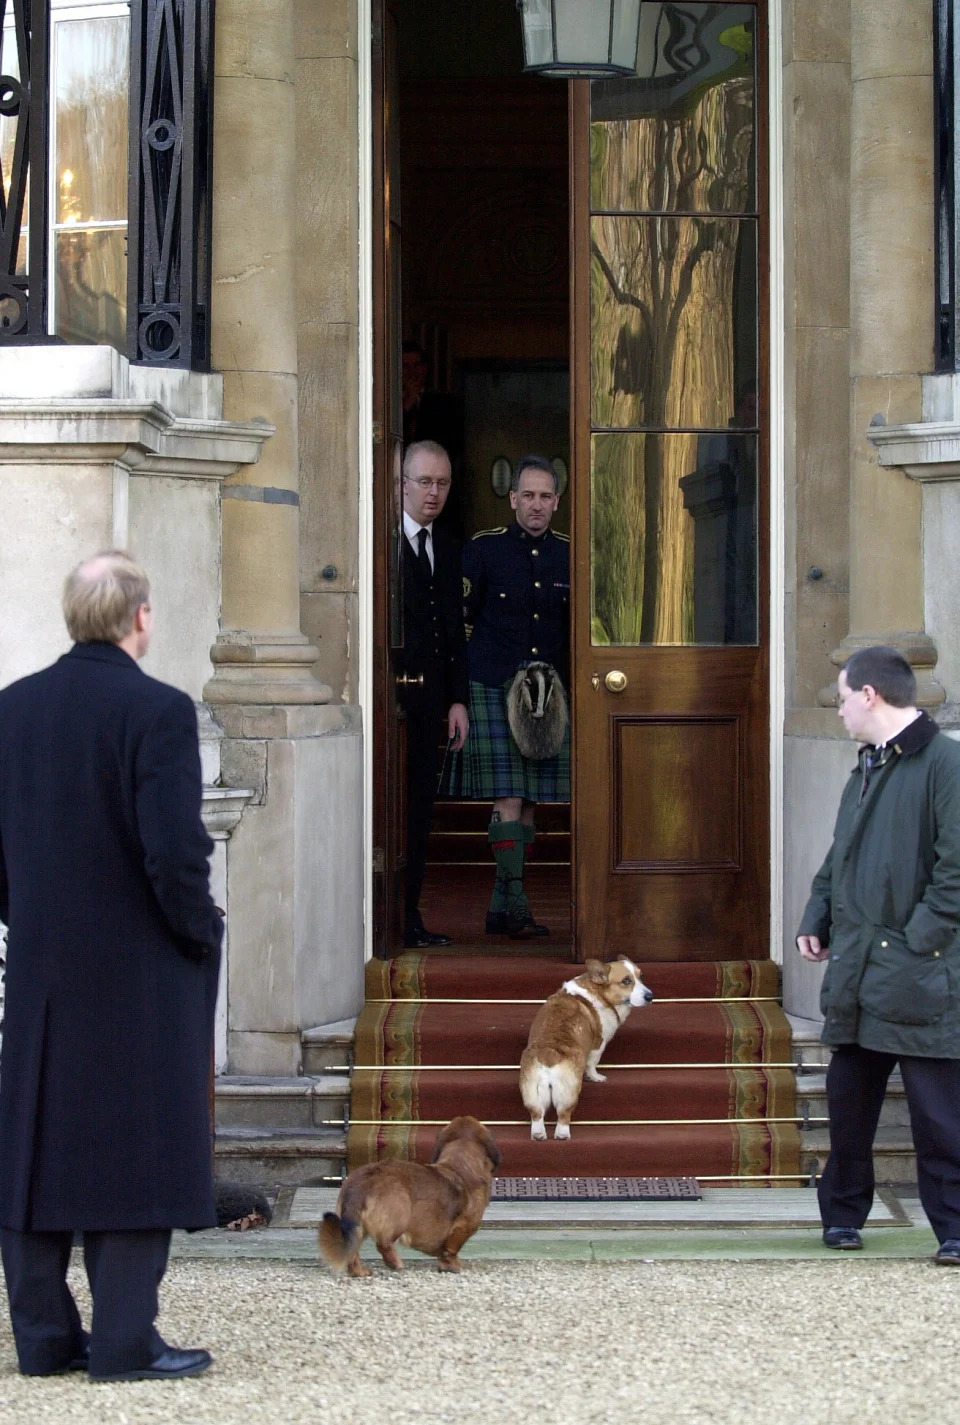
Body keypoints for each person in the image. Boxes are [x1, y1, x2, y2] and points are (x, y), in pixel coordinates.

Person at [0, 551, 224, 1379]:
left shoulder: (10, 709)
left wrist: (36, 924)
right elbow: (174, 855)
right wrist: (198, 933)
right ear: (141, 618)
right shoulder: (158, 710)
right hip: (139, 968)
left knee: (32, 1140)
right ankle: (125, 1341)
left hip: (42, 967)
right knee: (138, 1144)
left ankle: (45, 1338)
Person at [797, 645, 960, 1264]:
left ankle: (953, 1230)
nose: (837, 712)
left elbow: (955, 872)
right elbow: (841, 856)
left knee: (940, 1116)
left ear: (870, 695)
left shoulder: (945, 764)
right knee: (849, 1108)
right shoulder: (865, 767)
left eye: (841, 699)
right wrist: (817, 915)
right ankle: (842, 1217)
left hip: (922, 973)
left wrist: (917, 942)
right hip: (861, 970)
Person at [452, 454, 569, 938]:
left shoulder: (570, 552)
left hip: (550, 692)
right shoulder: (484, 550)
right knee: (509, 795)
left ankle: (501, 908)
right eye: (529, 495)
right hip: (494, 683)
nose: (536, 505)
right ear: (513, 498)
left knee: (534, 801)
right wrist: (457, 694)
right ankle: (516, 905)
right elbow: (460, 623)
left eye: (546, 496)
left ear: (556, 502)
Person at [397, 441, 469, 948]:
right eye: (425, 482)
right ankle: (390, 918)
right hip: (392, 709)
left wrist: (457, 700)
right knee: (393, 812)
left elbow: (453, 630)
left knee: (421, 812)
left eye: (442, 483)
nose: (434, 493)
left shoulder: (446, 546)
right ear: (402, 483)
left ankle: (411, 915)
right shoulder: (382, 544)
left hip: (431, 709)